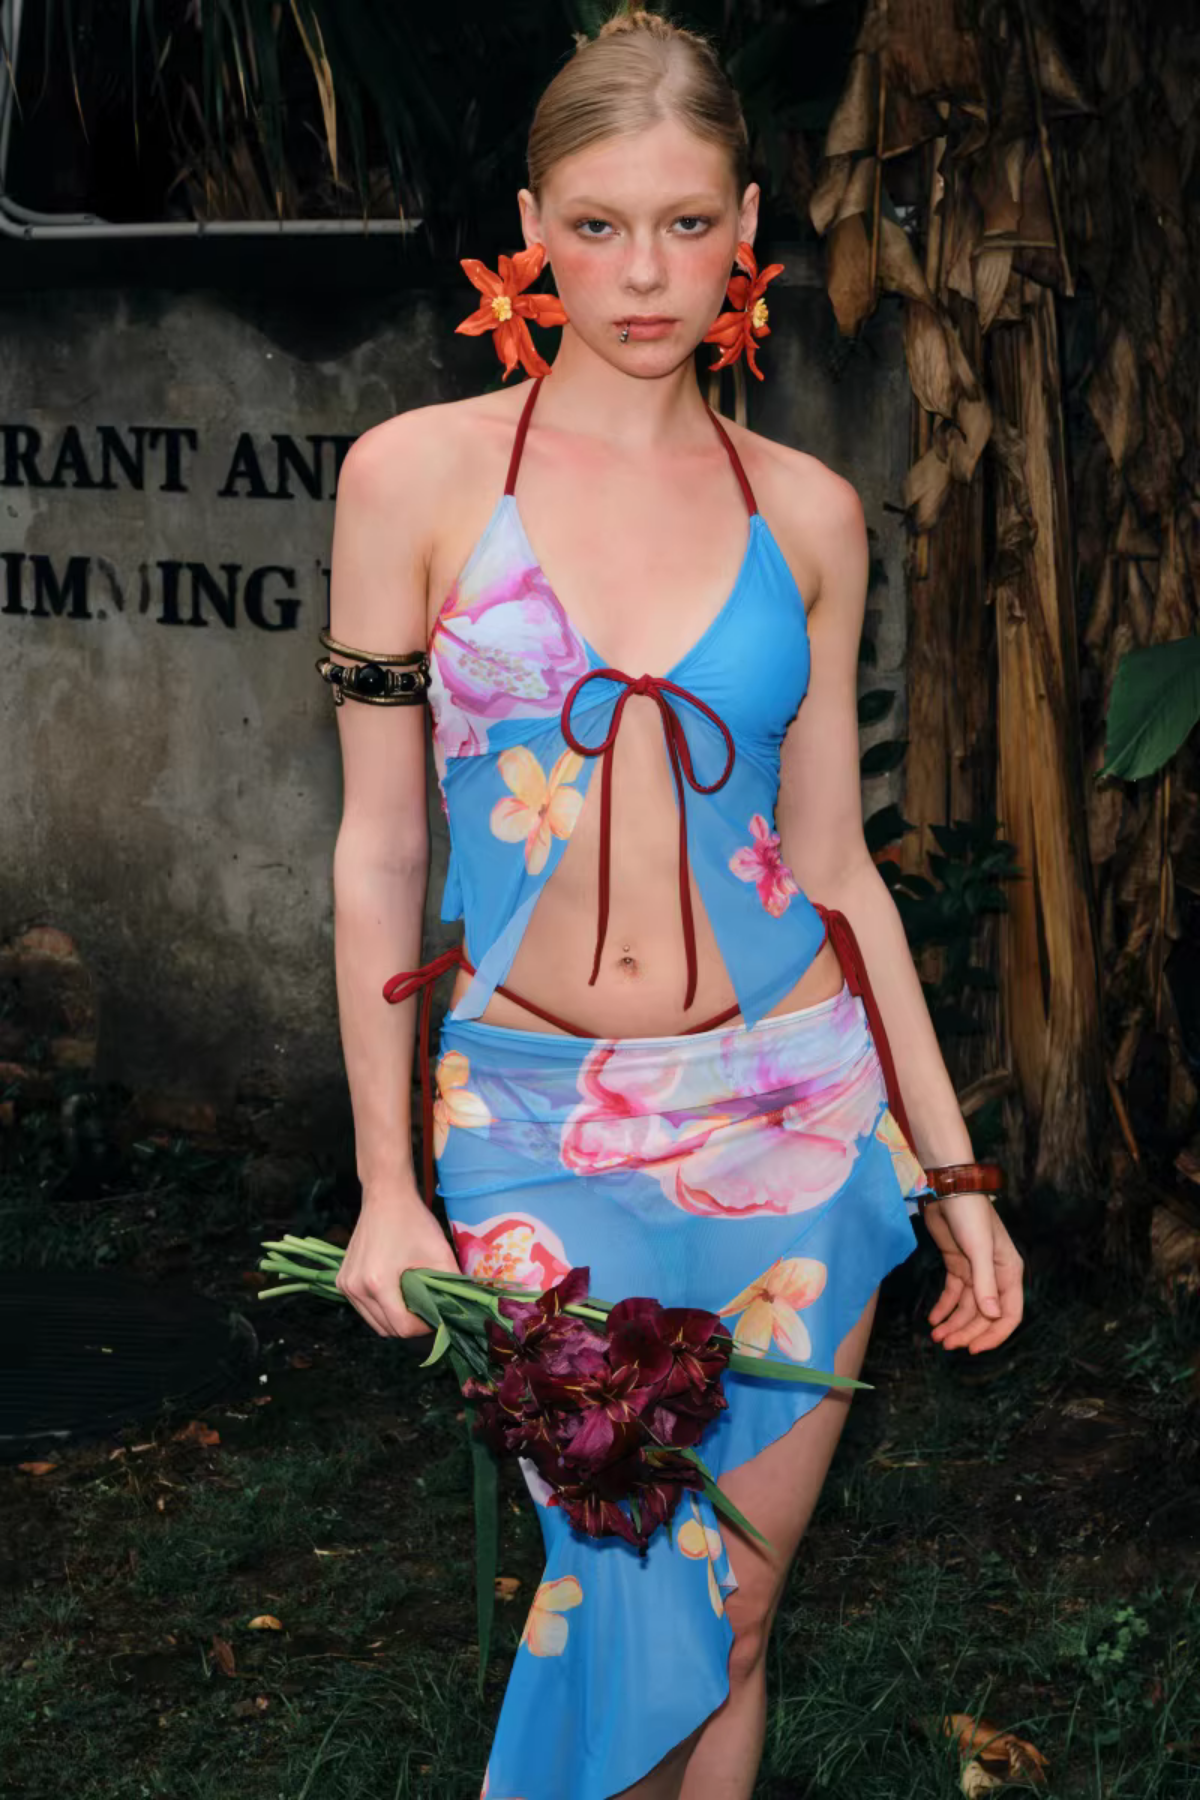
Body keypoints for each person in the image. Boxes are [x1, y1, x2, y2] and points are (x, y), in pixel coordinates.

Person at [319, 10, 1025, 1799]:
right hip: (532, 1134)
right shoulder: (413, 478)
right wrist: (388, 1184)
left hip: (795, 1112)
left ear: (750, 226)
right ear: (534, 227)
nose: (648, 273)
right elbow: (380, 850)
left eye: (690, 223)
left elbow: (840, 868)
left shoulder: (809, 511)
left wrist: (950, 1180)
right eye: (604, 224)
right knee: (620, 1601)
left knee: (731, 1629)